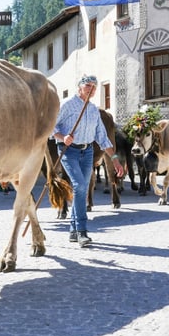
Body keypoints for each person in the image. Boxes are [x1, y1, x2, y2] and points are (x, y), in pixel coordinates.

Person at [52, 75, 123, 247]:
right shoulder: (67, 104)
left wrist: (115, 160)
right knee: (80, 186)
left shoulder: (92, 109)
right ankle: (82, 231)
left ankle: (73, 231)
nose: (91, 89)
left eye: (94, 87)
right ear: (80, 87)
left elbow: (102, 137)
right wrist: (62, 136)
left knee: (81, 189)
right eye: (88, 86)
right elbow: (51, 125)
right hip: (69, 151)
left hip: (88, 152)